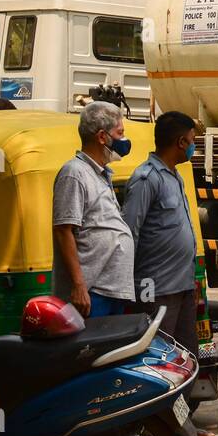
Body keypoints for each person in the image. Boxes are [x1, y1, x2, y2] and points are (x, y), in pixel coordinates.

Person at [122, 109, 218, 436]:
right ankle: (155, 429)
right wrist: (131, 286)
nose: (193, 147)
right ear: (179, 142)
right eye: (191, 141)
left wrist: (193, 281)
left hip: (181, 286)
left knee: (185, 360)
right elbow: (130, 233)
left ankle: (180, 424)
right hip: (156, 289)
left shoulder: (174, 176)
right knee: (157, 364)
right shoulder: (146, 178)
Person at [52, 101, 135, 318]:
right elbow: (63, 230)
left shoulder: (101, 173)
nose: (124, 140)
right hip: (92, 292)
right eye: (120, 133)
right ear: (102, 137)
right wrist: (79, 285)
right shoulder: (74, 173)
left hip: (111, 289)